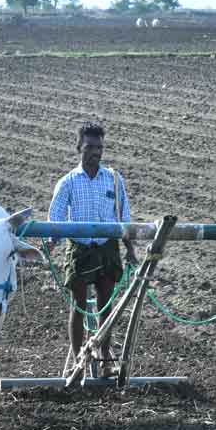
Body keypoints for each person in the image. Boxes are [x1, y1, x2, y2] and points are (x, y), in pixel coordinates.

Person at [49, 122, 138, 376]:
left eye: (99, 147)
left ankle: (104, 358)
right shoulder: (68, 182)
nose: (95, 152)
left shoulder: (113, 179)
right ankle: (79, 361)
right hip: (79, 248)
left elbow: (124, 217)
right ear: (79, 147)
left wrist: (129, 248)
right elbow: (55, 218)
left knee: (105, 305)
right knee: (78, 306)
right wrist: (51, 243)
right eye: (90, 147)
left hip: (107, 248)